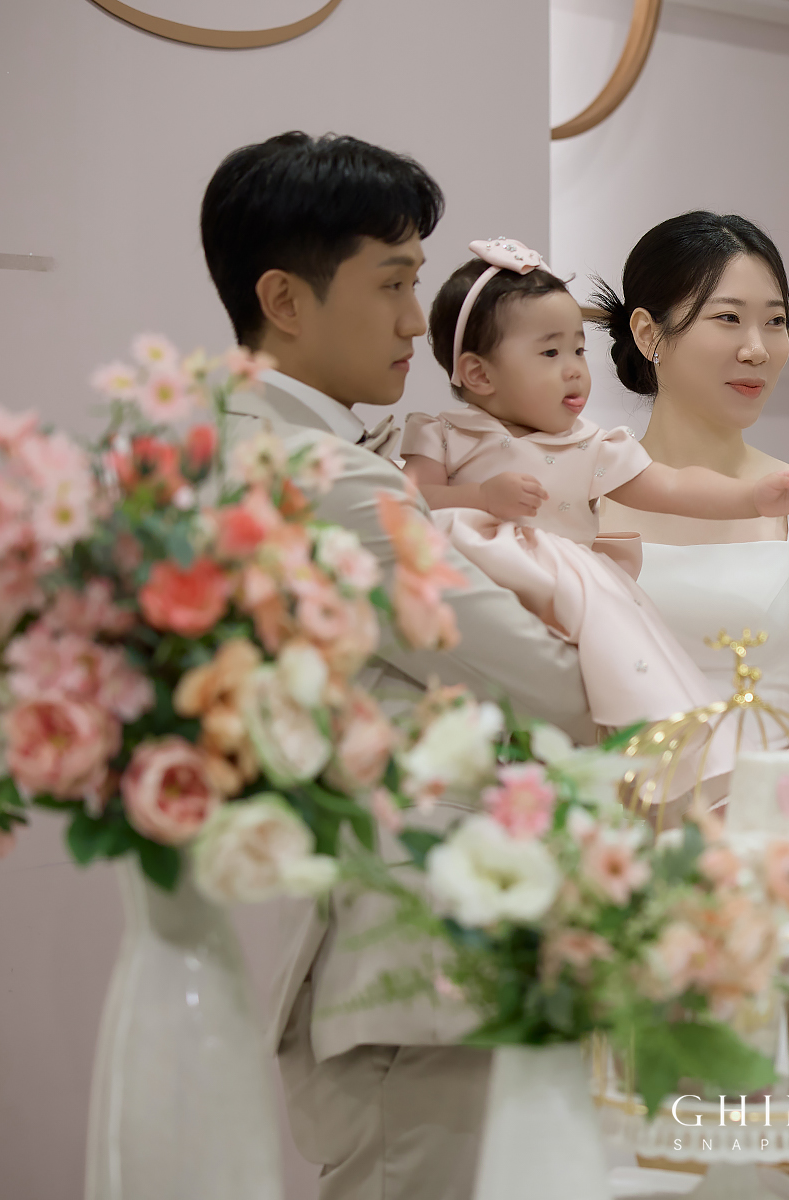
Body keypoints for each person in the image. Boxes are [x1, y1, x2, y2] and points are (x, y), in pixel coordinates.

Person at [200, 133, 592, 1200]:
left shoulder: (261, 443)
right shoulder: (318, 472)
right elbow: (550, 683)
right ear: (284, 298)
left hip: (415, 953)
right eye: (392, 283)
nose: (416, 321)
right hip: (419, 961)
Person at [402, 237, 789, 746]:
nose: (573, 368)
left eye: (578, 350)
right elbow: (408, 502)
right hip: (459, 599)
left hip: (564, 597)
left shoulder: (591, 446)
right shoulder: (442, 435)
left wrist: (751, 498)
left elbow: (670, 485)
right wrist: (481, 499)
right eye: (549, 352)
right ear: (478, 373)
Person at [597, 212, 789, 781]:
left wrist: (754, 803)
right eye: (728, 319)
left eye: (775, 322)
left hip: (759, 824)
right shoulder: (583, 494)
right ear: (648, 333)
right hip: (603, 824)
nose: (758, 349)